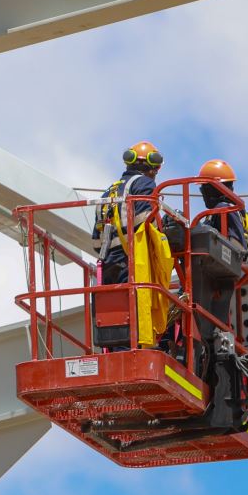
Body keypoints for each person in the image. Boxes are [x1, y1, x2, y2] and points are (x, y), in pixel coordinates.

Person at [92, 142, 176, 350]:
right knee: (132, 312)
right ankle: (130, 351)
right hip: (131, 258)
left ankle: (116, 352)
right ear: (153, 167)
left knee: (113, 316)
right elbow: (145, 220)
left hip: (107, 260)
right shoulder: (144, 184)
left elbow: (96, 241)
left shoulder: (109, 192)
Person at [195, 159, 248, 251]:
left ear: (212, 189)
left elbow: (237, 250)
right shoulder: (238, 212)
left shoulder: (224, 209)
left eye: (204, 188)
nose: (203, 193)